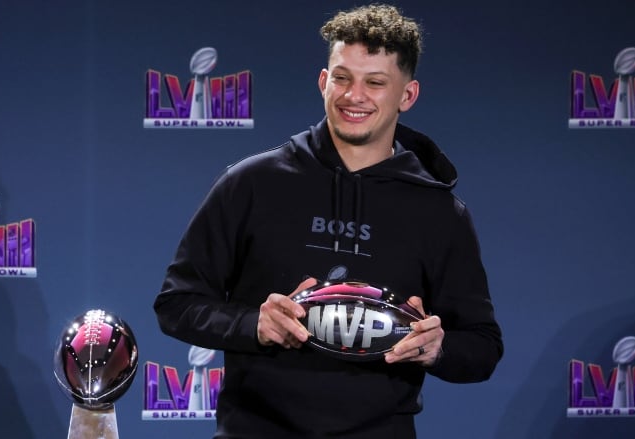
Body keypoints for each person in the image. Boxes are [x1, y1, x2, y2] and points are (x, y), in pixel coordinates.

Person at [154, 4, 503, 438]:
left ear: (407, 95)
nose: (353, 96)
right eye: (342, 78)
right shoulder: (251, 183)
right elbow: (176, 305)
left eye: (375, 83)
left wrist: (438, 347)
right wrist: (252, 324)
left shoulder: (439, 212)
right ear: (323, 82)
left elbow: (483, 347)